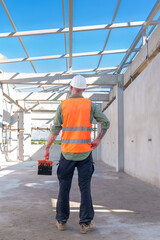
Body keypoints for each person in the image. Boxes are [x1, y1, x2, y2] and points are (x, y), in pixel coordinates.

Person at [43, 75, 110, 234]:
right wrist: (98, 139)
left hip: (66, 154)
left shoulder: (63, 105)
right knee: (85, 188)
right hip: (85, 154)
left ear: (70, 87)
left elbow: (55, 130)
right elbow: (105, 122)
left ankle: (61, 221)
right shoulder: (90, 105)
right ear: (84, 89)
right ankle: (85, 224)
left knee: (63, 187)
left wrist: (47, 148)